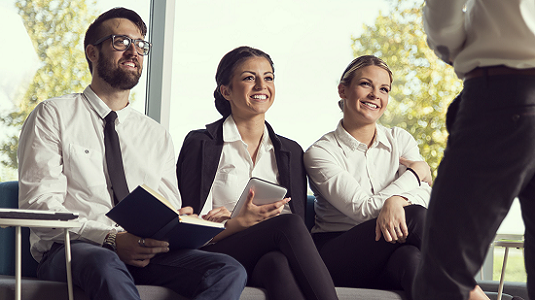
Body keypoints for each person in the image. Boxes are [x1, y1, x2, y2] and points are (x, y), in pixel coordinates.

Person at [17, 8, 246, 300]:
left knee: (228, 269)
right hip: (74, 250)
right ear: (92, 52)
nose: (133, 51)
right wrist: (112, 238)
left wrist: (185, 221)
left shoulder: (155, 134)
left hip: (145, 250)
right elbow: (40, 206)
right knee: (105, 262)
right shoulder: (53, 115)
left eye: (140, 44)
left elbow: (168, 206)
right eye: (120, 41)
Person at [176, 46, 339, 300]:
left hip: (267, 252)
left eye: (269, 77)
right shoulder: (201, 143)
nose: (261, 85)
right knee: (289, 223)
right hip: (216, 250)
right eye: (249, 77)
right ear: (226, 91)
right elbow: (189, 224)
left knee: (277, 265)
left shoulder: (291, 151)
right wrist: (235, 223)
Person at [414, 1, 535, 300]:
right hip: (509, 99)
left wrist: (455, 48)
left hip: (505, 95)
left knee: (445, 275)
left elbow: (445, 20)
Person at [303, 55, 432, 300]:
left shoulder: (400, 139)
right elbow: (362, 209)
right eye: (366, 85)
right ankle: (472, 290)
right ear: (343, 90)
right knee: (414, 215)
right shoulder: (320, 152)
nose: (376, 95)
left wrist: (396, 200)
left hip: (390, 247)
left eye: (384, 89)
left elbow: (425, 194)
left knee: (412, 260)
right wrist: (415, 173)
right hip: (337, 255)